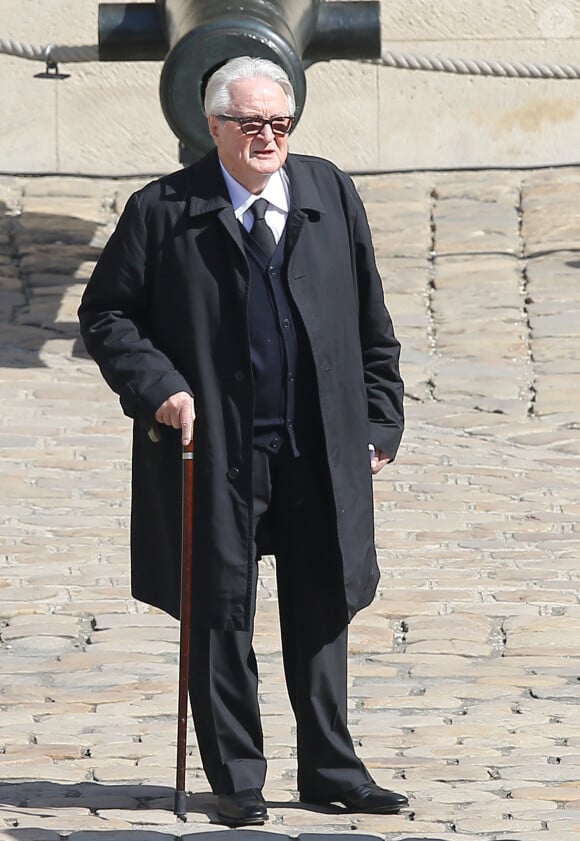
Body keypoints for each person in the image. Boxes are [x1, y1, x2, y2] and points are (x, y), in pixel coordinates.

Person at [78, 55, 407, 827]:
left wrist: (381, 419)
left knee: (323, 602)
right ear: (212, 127)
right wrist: (158, 386)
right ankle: (237, 776)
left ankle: (332, 766)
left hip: (316, 445)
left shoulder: (328, 191)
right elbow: (107, 315)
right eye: (251, 123)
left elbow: (371, 321)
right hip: (215, 451)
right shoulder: (162, 210)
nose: (268, 137)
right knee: (220, 611)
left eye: (281, 124)